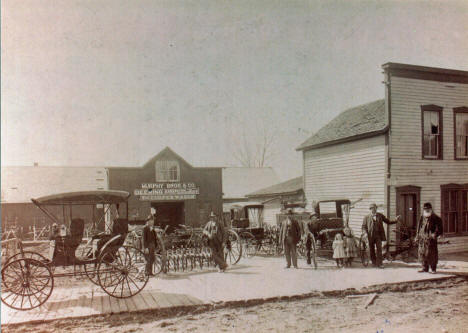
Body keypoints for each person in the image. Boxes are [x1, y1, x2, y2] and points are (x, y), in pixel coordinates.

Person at [362, 203, 399, 268]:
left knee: (379, 249)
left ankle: (380, 263)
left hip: (378, 235)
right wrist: (365, 233)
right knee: (371, 249)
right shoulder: (366, 217)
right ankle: (374, 262)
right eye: (371, 209)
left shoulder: (380, 215)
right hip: (370, 236)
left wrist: (395, 220)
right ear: (370, 209)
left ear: (376, 208)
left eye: (374, 208)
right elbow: (363, 226)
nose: (373, 210)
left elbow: (388, 221)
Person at [415, 202, 443, 274]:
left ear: (431, 209)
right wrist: (417, 236)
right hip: (422, 239)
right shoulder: (422, 217)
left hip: (431, 240)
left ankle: (433, 269)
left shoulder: (436, 218)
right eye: (425, 209)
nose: (427, 210)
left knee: (432, 254)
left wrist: (435, 234)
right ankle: (425, 268)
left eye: (428, 209)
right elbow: (418, 228)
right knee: (422, 253)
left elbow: (439, 228)